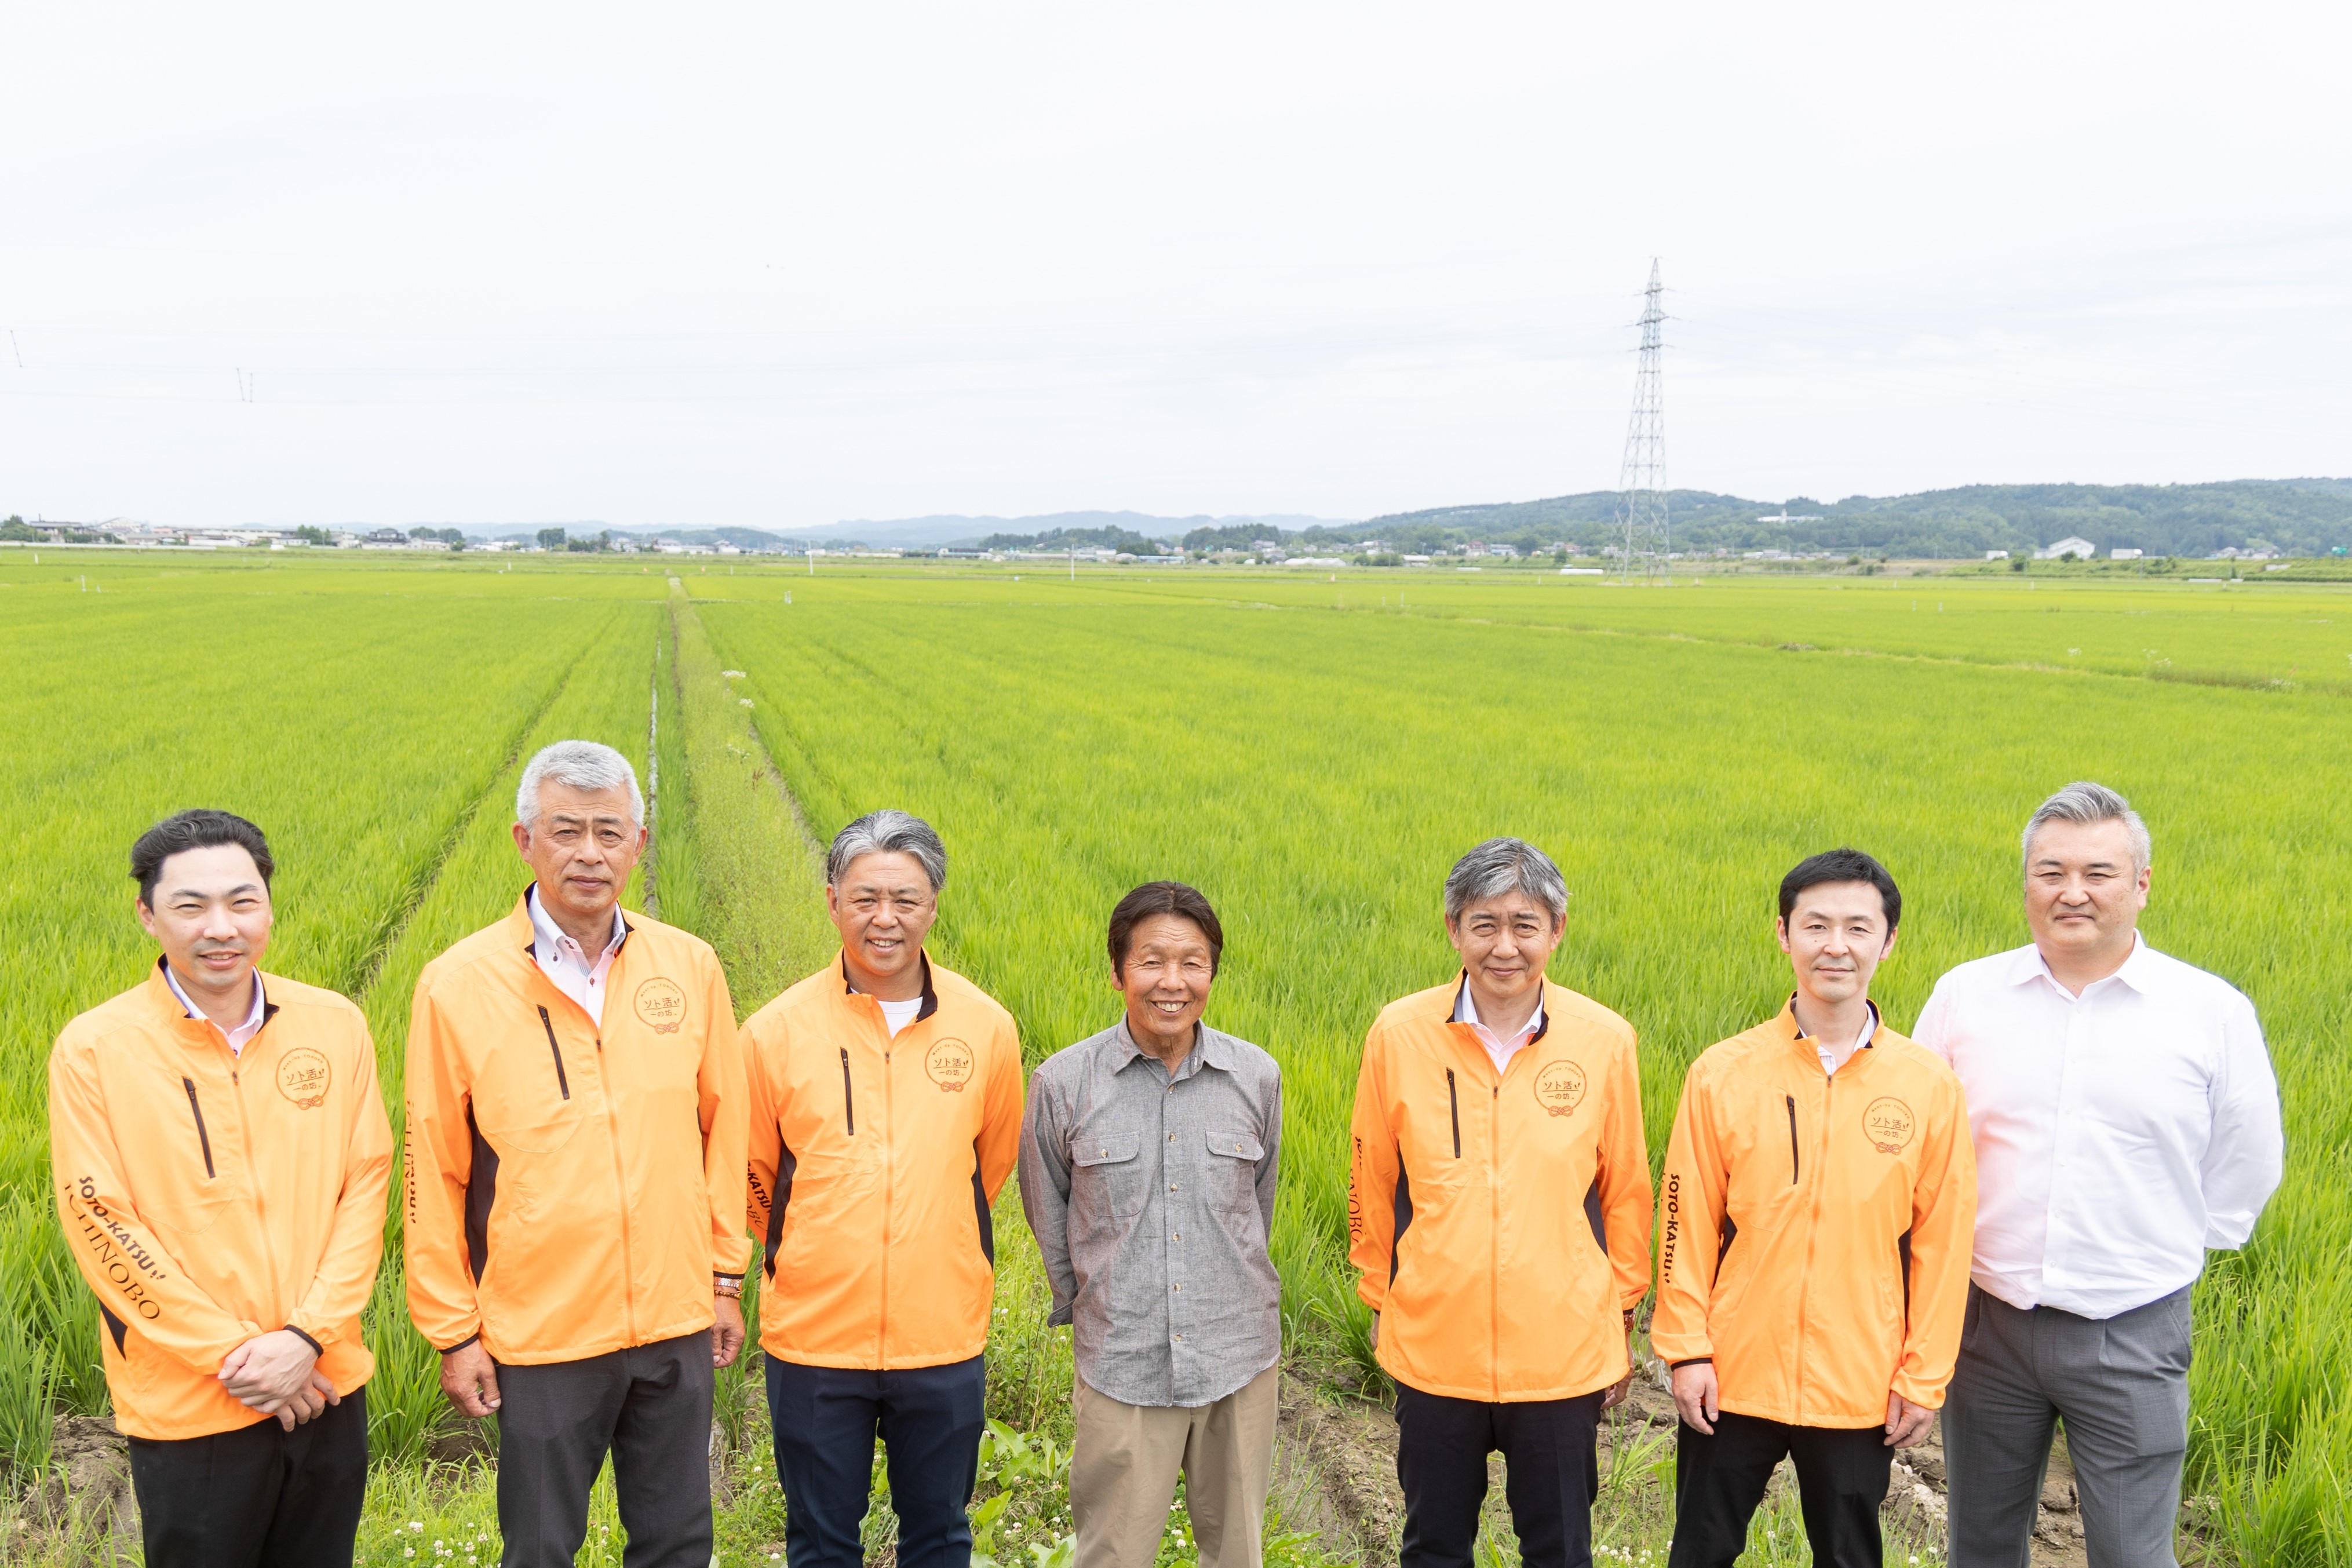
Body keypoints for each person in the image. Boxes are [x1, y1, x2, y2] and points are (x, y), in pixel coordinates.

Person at [1916, 782, 2282, 1568]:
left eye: (2098, 873)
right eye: (2050, 872)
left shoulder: (2208, 1012)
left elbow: (2246, 1158)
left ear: (2140, 884)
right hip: (1985, 1322)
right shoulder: (1965, 997)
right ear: (2026, 882)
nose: (2071, 891)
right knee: (1979, 1545)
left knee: (2132, 1553)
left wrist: (2158, 1247)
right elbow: (1918, 1148)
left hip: (2132, 1328)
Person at [404, 741, 749, 1568]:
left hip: (673, 1318)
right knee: (539, 1546)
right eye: (566, 831)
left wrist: (724, 1279)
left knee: (676, 1542)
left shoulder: (689, 965)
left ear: (639, 843)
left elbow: (725, 1132)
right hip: (542, 1329)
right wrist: (454, 1332)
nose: (589, 853)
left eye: (609, 831)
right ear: (525, 841)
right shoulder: (458, 984)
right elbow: (432, 1169)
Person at [49, 809, 391, 1567]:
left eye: (242, 902)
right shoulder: (96, 1048)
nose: (220, 928)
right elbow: (99, 1218)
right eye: (190, 905)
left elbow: (366, 1182)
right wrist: (240, 1356)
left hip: (325, 1382)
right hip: (191, 1399)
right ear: (148, 915)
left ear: (267, 905)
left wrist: (306, 1339)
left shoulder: (334, 1024)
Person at [1651, 848, 1976, 1568]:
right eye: (1817, 925)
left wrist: (1923, 1376)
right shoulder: (1722, 1073)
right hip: (1732, 1373)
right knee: (1700, 1551)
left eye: (1858, 928)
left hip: (1860, 1381)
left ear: (1888, 942)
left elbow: (1945, 1241)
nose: (1836, 946)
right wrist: (1688, 1351)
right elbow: (1683, 1222)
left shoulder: (1928, 1086)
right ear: (1784, 933)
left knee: (1851, 1557)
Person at [1347, 837, 1653, 1568]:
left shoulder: (1605, 1041)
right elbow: (1371, 1179)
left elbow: (1626, 1192)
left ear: (1557, 930)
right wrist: (1381, 1295)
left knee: (1559, 1551)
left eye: (1525, 925)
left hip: (1561, 1351)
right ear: (1454, 929)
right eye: (1484, 924)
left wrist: (1619, 1319)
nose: (1505, 947)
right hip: (1436, 1346)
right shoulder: (1399, 1034)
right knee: (1433, 1547)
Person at [743, 809, 1025, 1568]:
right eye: (865, 898)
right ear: (832, 900)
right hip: (814, 1338)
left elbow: (988, 1163)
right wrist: (809, 1247)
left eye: (905, 898)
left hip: (940, 1333)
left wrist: (933, 1230)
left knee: (939, 1534)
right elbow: (752, 1176)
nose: (884, 918)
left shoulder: (986, 1028)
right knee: (820, 1540)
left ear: (933, 905)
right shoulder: (774, 1031)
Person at [1022, 883, 1283, 1568]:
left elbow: (1256, 1209)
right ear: (1117, 972)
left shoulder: (1256, 1076)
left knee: (1238, 1554)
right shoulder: (1063, 1084)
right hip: (1124, 1363)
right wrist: (1093, 1305)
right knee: (1113, 1554)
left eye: (1193, 963)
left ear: (1212, 973)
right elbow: (1050, 1216)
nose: (1173, 982)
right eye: (1151, 962)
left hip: (1238, 1359)